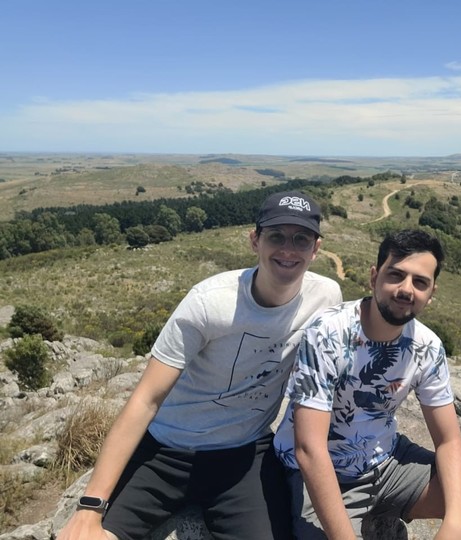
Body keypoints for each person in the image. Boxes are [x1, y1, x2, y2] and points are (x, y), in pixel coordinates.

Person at [58, 190, 342, 540]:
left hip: (245, 456)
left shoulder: (326, 297)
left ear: (316, 249)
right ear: (255, 240)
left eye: (301, 239)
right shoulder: (209, 303)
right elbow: (145, 399)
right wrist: (89, 507)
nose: (288, 249)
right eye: (276, 236)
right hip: (165, 452)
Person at [273, 229, 461, 540]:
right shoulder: (327, 333)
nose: (406, 289)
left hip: (386, 462)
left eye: (420, 282)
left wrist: (455, 520)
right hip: (320, 474)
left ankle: (384, 511)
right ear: (374, 278)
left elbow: (449, 441)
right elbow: (309, 448)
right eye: (395, 275)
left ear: (431, 292)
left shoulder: (427, 346)